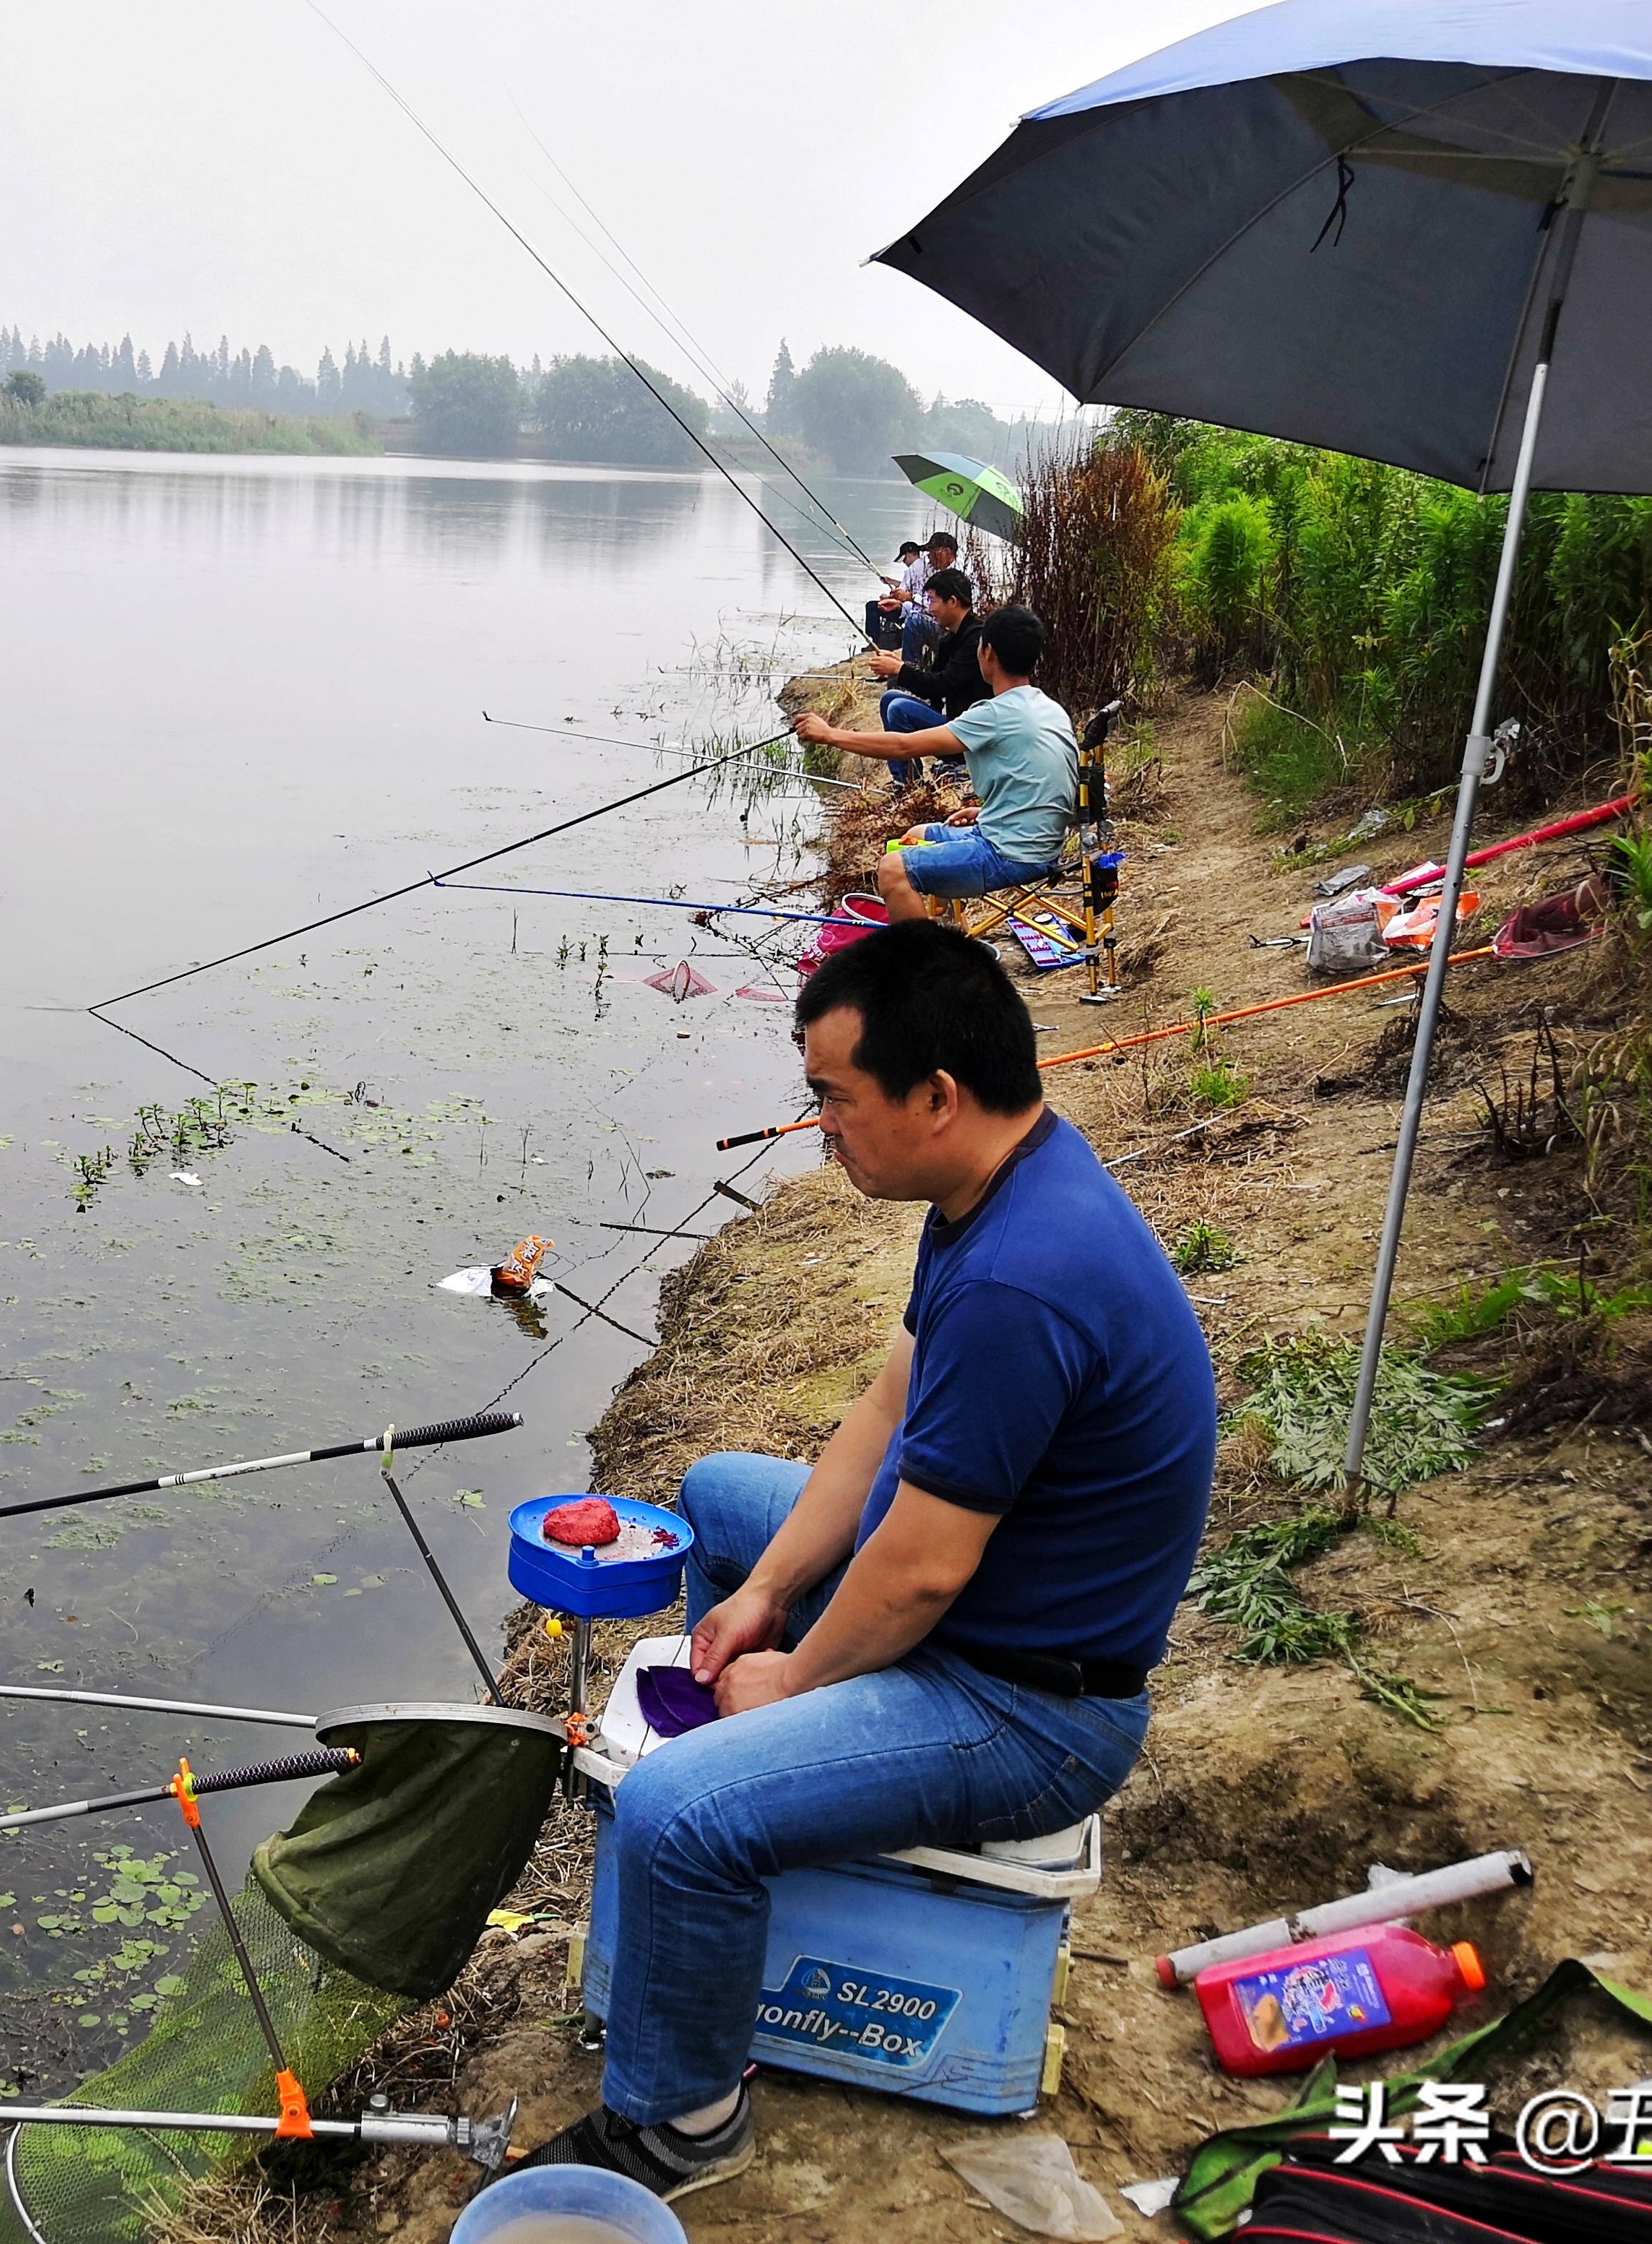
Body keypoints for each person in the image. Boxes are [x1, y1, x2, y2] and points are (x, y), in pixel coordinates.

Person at [514, 921, 1215, 2201]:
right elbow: (886, 1413)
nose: (819, 1129)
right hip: (976, 1611)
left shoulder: (1023, 1280)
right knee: (726, 1501)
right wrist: (771, 1593)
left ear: (935, 1095)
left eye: (834, 1099)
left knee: (674, 1814)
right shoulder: (1000, 1184)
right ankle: (773, 1809)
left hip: (1022, 1706)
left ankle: (680, 2121)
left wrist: (790, 1681)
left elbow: (918, 1578)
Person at [797, 603, 1076, 922]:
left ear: (989, 654)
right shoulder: (1049, 708)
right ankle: (946, 931)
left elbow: (903, 745)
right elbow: (1045, 781)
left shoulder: (996, 715)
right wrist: (990, 812)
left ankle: (928, 963)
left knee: (892, 870)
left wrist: (831, 735)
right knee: (917, 836)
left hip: (1012, 853)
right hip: (1039, 842)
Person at [864, 568, 979, 783]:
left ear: (952, 601)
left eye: (933, 601)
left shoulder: (975, 639)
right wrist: (899, 665)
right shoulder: (950, 639)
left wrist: (900, 670)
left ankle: (910, 784)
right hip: (950, 723)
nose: (930, 609)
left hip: (966, 735)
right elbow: (932, 687)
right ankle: (904, 779)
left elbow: (943, 684)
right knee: (889, 698)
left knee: (899, 709)